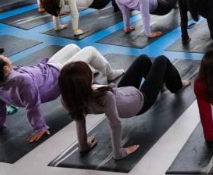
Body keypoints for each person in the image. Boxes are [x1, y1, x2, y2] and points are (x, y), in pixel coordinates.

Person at [0, 45, 123, 142]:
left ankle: (88, 72)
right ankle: (110, 73)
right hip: (60, 75)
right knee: (90, 50)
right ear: (5, 69)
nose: (3, 56)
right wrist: (39, 127)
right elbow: (32, 105)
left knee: (73, 47)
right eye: (2, 58)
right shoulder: (22, 80)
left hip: (49, 67)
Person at [58, 55, 189, 160]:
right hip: (140, 101)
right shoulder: (105, 96)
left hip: (122, 94)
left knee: (143, 60)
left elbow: (79, 121)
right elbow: (115, 125)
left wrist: (84, 146)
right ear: (85, 82)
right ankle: (177, 86)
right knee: (161, 60)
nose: (92, 74)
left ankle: (159, 84)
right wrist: (119, 152)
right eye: (89, 74)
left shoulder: (70, 99)